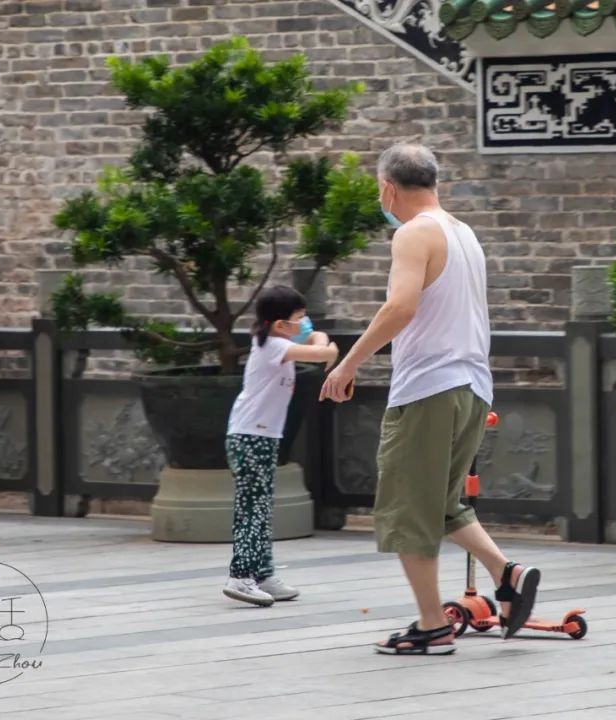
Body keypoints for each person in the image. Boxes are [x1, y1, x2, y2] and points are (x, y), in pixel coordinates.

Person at [319, 143, 541, 655]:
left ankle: (431, 625)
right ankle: (506, 574)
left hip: (428, 388)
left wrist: (348, 363)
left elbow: (400, 307)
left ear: (387, 188)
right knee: (442, 502)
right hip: (470, 386)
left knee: (406, 508)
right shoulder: (464, 234)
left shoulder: (412, 233)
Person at [224, 285, 338, 607]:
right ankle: (241, 576)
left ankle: (262, 573)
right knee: (252, 509)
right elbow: (322, 352)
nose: (304, 324)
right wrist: (325, 345)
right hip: (250, 437)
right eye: (298, 319)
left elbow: (318, 340)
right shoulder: (274, 346)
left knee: (261, 506)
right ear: (279, 324)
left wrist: (318, 339)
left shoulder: (278, 341)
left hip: (262, 437)